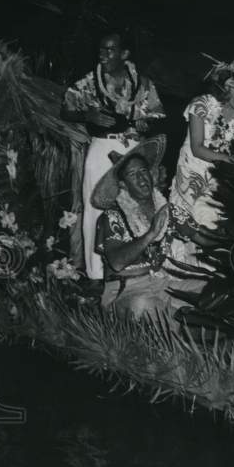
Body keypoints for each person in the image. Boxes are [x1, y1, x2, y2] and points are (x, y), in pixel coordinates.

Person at [62, 33, 165, 285]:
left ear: (124, 54)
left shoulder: (142, 84)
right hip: (101, 147)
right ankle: (96, 273)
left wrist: (145, 122)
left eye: (110, 50)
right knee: (96, 205)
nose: (103, 54)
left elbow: (158, 115)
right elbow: (66, 109)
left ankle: (137, 263)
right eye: (101, 49)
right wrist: (88, 116)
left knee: (136, 201)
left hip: (133, 148)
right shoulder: (90, 81)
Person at [167, 55, 234, 266]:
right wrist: (226, 158)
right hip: (193, 169)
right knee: (184, 220)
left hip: (222, 173)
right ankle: (178, 268)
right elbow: (197, 148)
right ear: (226, 85)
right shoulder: (201, 105)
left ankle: (207, 269)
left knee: (213, 219)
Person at [91, 137, 201, 325]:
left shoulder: (163, 207)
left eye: (143, 171)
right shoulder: (112, 216)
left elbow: (201, 237)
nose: (141, 179)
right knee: (143, 306)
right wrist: (151, 233)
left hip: (160, 283)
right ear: (123, 185)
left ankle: (189, 328)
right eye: (132, 175)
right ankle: (180, 334)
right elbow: (117, 263)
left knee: (209, 289)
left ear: (152, 174)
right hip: (125, 290)